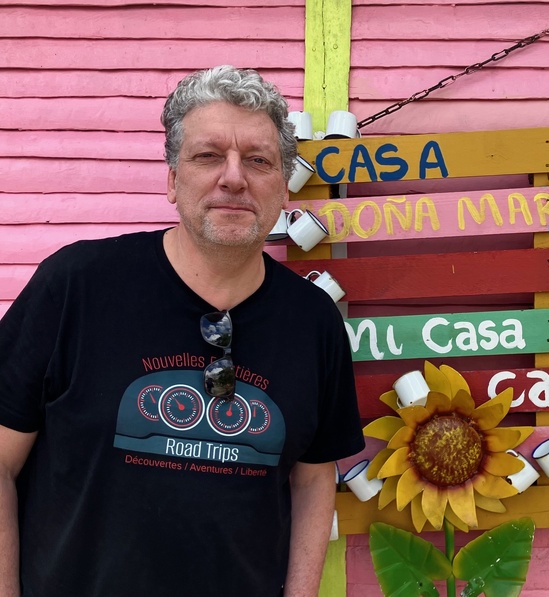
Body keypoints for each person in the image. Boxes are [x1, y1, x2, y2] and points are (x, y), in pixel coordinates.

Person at [0, 65, 365, 597]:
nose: (234, 177)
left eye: (259, 160)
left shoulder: (313, 322)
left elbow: (312, 478)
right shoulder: (76, 286)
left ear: (284, 188)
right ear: (172, 179)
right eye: (208, 155)